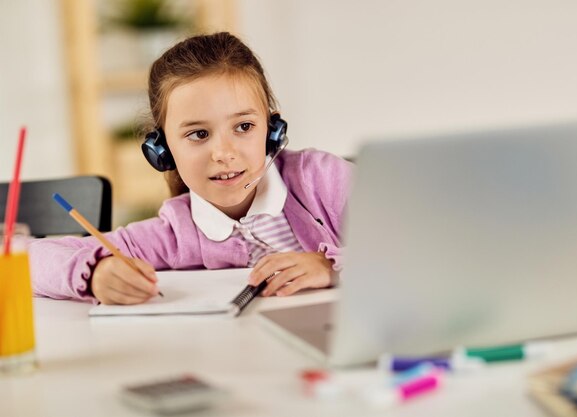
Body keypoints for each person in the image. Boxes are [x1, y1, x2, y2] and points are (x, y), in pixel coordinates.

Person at [29, 32, 352, 305]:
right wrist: (94, 273)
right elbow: (27, 260)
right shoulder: (175, 232)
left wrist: (332, 265)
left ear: (271, 129)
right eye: (199, 134)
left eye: (243, 126)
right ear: (163, 150)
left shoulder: (320, 180)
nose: (224, 153)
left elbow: (403, 234)